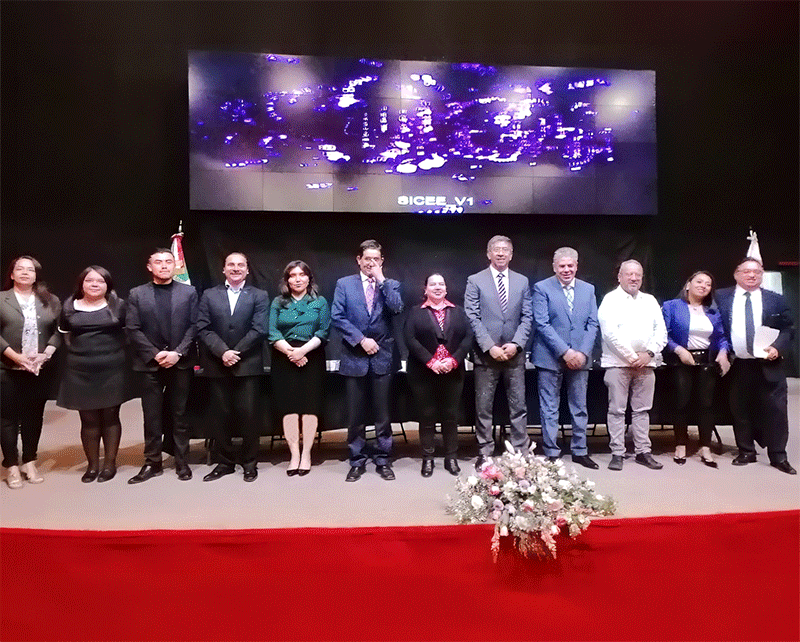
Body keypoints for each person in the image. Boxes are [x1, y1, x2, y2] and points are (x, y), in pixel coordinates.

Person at [331, 240, 403, 482]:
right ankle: (357, 460)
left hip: (383, 357)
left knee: (383, 414)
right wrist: (361, 340)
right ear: (359, 260)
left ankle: (383, 459)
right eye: (367, 258)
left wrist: (382, 280)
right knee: (355, 415)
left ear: (382, 261)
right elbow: (337, 316)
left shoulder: (391, 284)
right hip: (355, 356)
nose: (371, 263)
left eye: (376, 259)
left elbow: (397, 308)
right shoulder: (344, 284)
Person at [716, 258, 796, 474]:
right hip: (738, 363)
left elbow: (789, 329)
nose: (752, 275)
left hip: (770, 363)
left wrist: (778, 347)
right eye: (747, 271)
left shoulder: (775, 299)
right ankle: (746, 451)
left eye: (757, 272)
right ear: (736, 274)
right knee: (740, 409)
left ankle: (778, 456)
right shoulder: (721, 297)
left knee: (776, 410)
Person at [126, 249, 199, 483]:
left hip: (180, 362)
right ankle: (152, 462)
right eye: (158, 262)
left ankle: (182, 461)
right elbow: (133, 328)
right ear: (150, 267)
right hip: (150, 364)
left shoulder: (188, 292)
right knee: (152, 416)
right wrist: (155, 354)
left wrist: (178, 353)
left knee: (180, 414)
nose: (164, 266)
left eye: (168, 261)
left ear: (175, 266)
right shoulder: (137, 293)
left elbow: (194, 326)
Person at [197, 252, 269, 482]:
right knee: (220, 416)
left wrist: (235, 352)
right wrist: (223, 352)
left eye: (240, 265)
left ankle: (249, 463)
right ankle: (225, 462)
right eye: (231, 264)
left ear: (247, 269)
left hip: (247, 364)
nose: (236, 268)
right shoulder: (209, 295)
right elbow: (203, 327)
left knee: (249, 416)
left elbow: (259, 329)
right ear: (224, 269)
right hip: (217, 364)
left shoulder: (259, 295)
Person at [464, 235, 533, 469]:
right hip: (486, 355)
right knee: (484, 407)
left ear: (511, 255)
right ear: (488, 254)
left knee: (518, 406)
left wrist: (516, 344)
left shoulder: (522, 281)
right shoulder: (475, 280)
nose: (501, 253)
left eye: (505, 250)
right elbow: (472, 316)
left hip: (515, 355)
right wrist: (489, 346)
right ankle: (485, 452)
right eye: (496, 249)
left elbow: (527, 317)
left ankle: (520, 451)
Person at [57, 266, 128, 482]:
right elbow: (65, 335)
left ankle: (109, 464)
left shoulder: (118, 305)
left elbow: (128, 333)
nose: (95, 284)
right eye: (89, 280)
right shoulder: (69, 306)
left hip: (112, 369)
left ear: (107, 285)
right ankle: (92, 465)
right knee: (88, 420)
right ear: (82, 284)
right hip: (80, 371)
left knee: (110, 417)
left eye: (100, 281)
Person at [531, 247, 599, 469]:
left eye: (570, 265)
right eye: (562, 266)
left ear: (577, 266)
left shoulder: (588, 289)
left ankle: (580, 451)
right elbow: (542, 323)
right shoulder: (542, 288)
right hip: (549, 358)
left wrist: (582, 352)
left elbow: (593, 324)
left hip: (580, 358)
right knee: (549, 408)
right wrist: (565, 352)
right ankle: (552, 452)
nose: (566, 270)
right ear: (554, 267)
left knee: (579, 407)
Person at [598, 260, 667, 471]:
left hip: (646, 364)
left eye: (638, 275)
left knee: (642, 411)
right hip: (618, 364)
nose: (634, 278)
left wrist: (649, 353)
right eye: (629, 274)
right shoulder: (610, 300)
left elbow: (661, 331)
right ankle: (617, 452)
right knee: (617, 411)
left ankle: (643, 452)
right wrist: (632, 357)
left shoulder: (650, 301)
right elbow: (610, 334)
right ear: (620, 277)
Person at [404, 273, 473, 477]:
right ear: (425, 289)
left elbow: (468, 338)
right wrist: (431, 361)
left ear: (446, 289)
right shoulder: (415, 312)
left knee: (450, 416)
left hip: (453, 372)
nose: (437, 287)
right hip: (423, 372)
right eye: (432, 284)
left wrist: (454, 360)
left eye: (441, 284)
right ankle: (428, 458)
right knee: (426, 415)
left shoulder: (458, 312)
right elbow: (410, 338)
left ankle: (451, 457)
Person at [1, 256, 61, 488]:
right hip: (7, 368)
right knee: (7, 418)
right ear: (12, 274)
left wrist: (47, 353)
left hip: (39, 369)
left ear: (36, 276)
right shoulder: (1, 299)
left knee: (33, 416)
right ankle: (11, 465)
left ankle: (29, 461)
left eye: (30, 270)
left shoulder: (50, 300)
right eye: (20, 269)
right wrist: (15, 356)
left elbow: (59, 331)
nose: (25, 272)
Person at [662, 271, 730, 468]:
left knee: (706, 405)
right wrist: (678, 349)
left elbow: (722, 337)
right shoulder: (672, 306)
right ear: (688, 284)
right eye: (699, 282)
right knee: (681, 403)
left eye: (708, 284)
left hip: (707, 362)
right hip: (681, 360)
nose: (703, 286)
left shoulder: (713, 311)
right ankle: (680, 444)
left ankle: (705, 446)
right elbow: (663, 334)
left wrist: (723, 352)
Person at [268, 260, 330, 476]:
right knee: (289, 408)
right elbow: (272, 332)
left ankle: (306, 454)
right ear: (287, 280)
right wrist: (291, 353)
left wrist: (302, 351)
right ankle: (294, 454)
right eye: (292, 275)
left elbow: (323, 331)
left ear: (309, 278)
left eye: (302, 275)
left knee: (310, 407)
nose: (297, 279)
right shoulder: (278, 302)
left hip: (311, 355)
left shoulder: (319, 302)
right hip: (283, 357)